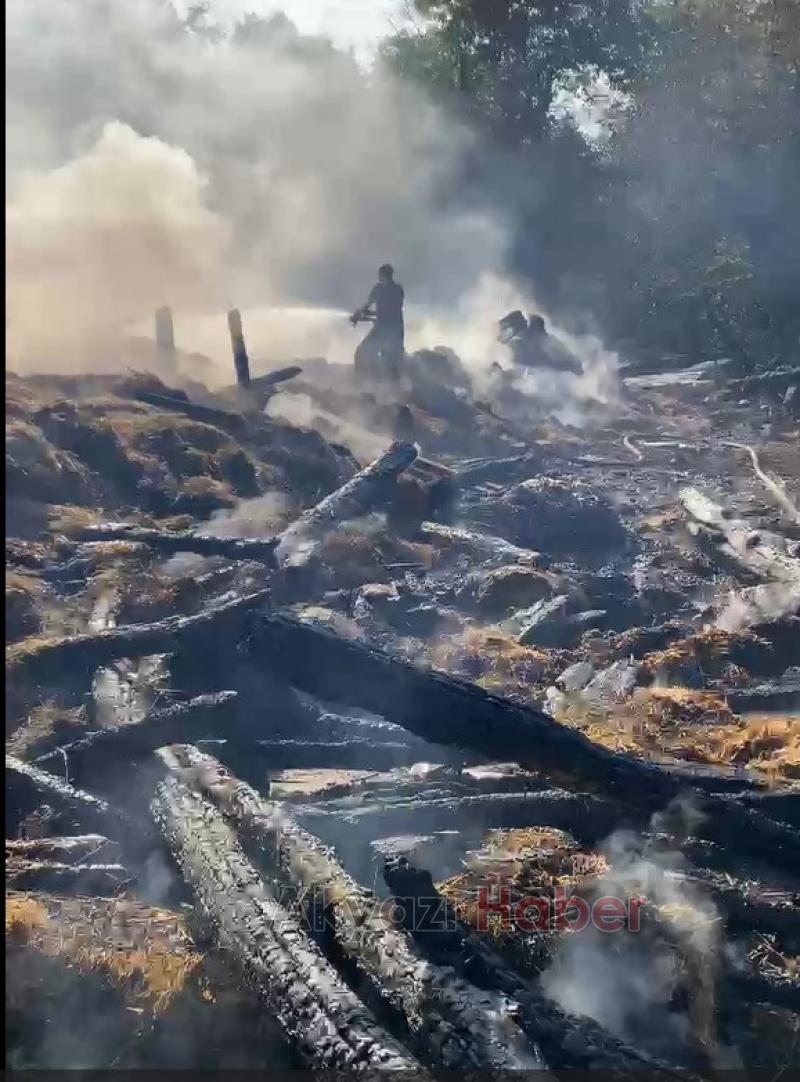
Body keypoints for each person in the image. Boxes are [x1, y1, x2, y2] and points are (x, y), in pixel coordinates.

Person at [351, 263, 405, 380]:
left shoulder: (378, 288)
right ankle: (395, 390)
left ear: (383, 275)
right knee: (392, 365)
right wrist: (365, 316)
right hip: (397, 331)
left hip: (382, 330)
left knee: (361, 354)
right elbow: (390, 312)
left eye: (380, 274)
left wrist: (358, 315)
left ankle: (359, 382)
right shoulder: (398, 289)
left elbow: (368, 308)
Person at [497, 310, 583, 376]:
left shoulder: (547, 344)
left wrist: (573, 365)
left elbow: (562, 361)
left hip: (529, 359)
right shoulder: (521, 332)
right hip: (521, 352)